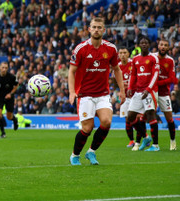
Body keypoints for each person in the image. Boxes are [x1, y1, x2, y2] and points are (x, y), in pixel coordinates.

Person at [68, 17, 125, 166]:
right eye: (94, 27)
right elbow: (71, 71)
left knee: (106, 122)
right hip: (85, 94)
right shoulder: (80, 49)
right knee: (87, 128)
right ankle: (75, 155)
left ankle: (91, 152)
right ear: (89, 29)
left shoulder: (111, 49)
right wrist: (72, 92)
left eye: (99, 27)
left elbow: (117, 70)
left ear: (104, 30)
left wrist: (122, 90)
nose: (96, 30)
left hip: (102, 94)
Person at [126, 36, 159, 151]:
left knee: (150, 115)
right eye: (142, 43)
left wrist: (148, 89)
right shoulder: (135, 59)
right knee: (130, 116)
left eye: (146, 42)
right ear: (139, 45)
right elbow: (133, 75)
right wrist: (130, 87)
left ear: (149, 45)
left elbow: (155, 75)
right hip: (138, 91)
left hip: (149, 91)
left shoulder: (154, 58)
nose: (144, 44)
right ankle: (145, 137)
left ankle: (155, 145)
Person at [154, 39, 177, 150]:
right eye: (161, 45)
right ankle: (150, 142)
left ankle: (172, 141)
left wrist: (158, 82)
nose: (163, 47)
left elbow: (171, 78)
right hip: (152, 92)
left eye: (165, 45)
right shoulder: (152, 57)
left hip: (163, 93)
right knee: (145, 116)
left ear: (168, 48)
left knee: (169, 118)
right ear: (158, 46)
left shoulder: (170, 61)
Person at [0, 61, 19, 138]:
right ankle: (3, 133)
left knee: (9, 117)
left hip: (9, 97)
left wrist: (10, 94)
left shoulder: (11, 77)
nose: (4, 69)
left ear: (7, 68)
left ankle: (15, 120)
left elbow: (16, 85)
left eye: (6, 68)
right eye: (3, 67)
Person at [117, 46, 136, 148]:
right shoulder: (117, 66)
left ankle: (143, 138)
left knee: (136, 118)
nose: (122, 55)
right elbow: (116, 81)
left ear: (128, 54)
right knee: (127, 120)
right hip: (125, 97)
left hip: (135, 96)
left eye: (124, 52)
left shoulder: (133, 64)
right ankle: (131, 141)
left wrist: (127, 85)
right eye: (120, 53)